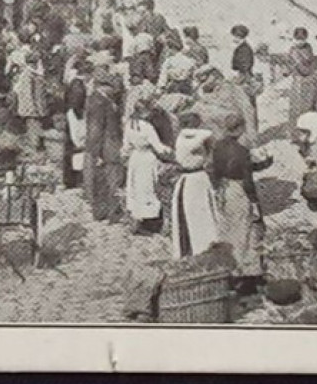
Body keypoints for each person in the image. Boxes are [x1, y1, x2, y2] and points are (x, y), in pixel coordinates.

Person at [210, 112, 266, 281]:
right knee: (244, 231)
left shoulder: (217, 147)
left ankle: (228, 267)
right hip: (238, 189)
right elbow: (247, 180)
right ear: (240, 128)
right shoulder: (242, 151)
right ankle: (243, 272)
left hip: (223, 187)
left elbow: (216, 170)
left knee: (227, 229)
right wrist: (254, 200)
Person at [169, 116, 221, 259]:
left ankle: (191, 248)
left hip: (185, 179)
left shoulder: (180, 137)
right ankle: (204, 246)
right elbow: (211, 137)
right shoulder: (197, 137)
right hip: (198, 178)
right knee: (202, 213)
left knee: (188, 213)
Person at [123, 87, 171, 233]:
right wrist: (170, 151)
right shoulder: (147, 127)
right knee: (148, 188)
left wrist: (125, 155)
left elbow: (126, 145)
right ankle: (152, 221)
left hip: (135, 158)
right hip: (147, 158)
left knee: (136, 189)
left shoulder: (129, 124)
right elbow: (158, 146)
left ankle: (137, 219)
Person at [84, 68, 127, 223]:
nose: (115, 91)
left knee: (105, 180)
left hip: (106, 146)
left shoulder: (100, 100)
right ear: (103, 86)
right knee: (111, 180)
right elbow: (95, 130)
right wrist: (97, 153)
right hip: (107, 147)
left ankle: (104, 211)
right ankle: (110, 212)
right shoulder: (99, 102)